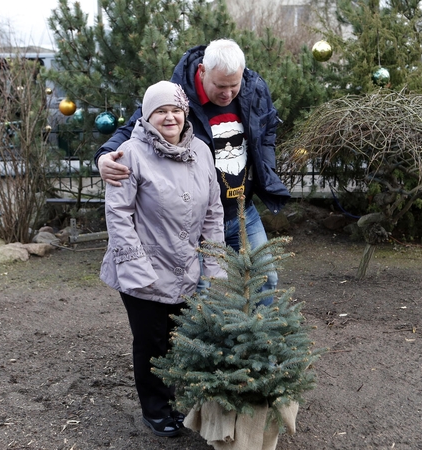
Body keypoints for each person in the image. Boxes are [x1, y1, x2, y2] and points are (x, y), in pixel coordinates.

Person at [94, 38, 290, 302]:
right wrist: (104, 156)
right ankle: (189, 344)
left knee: (265, 278)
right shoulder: (177, 95)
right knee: (197, 291)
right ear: (202, 71)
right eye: (220, 86)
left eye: (234, 86)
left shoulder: (253, 90)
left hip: (244, 212)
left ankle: (261, 341)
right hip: (196, 218)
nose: (228, 94)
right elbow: (135, 126)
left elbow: (267, 132)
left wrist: (267, 167)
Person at [99, 81, 225, 438]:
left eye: (176, 109)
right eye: (160, 111)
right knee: (153, 342)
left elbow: (214, 212)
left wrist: (215, 264)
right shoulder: (129, 153)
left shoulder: (201, 150)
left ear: (185, 113)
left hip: (187, 264)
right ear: (147, 115)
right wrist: (138, 270)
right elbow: (118, 214)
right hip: (144, 270)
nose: (169, 116)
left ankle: (176, 401)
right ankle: (155, 411)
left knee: (178, 338)